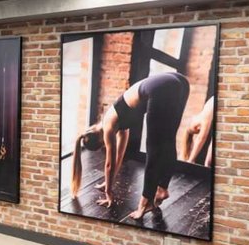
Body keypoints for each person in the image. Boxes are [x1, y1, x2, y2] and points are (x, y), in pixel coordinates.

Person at [71, 72, 190, 220]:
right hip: (179, 81)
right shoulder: (117, 119)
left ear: (100, 141)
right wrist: (107, 183)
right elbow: (119, 157)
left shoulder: (108, 126)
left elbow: (109, 164)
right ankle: (162, 189)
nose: (105, 146)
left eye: (103, 146)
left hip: (160, 88)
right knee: (168, 140)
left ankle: (146, 202)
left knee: (153, 149)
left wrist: (108, 193)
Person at [182, 96, 214, 167]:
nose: (201, 130)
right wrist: (207, 163)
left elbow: (201, 138)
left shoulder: (204, 118)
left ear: (196, 127)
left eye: (199, 131)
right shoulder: (206, 111)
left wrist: (191, 160)